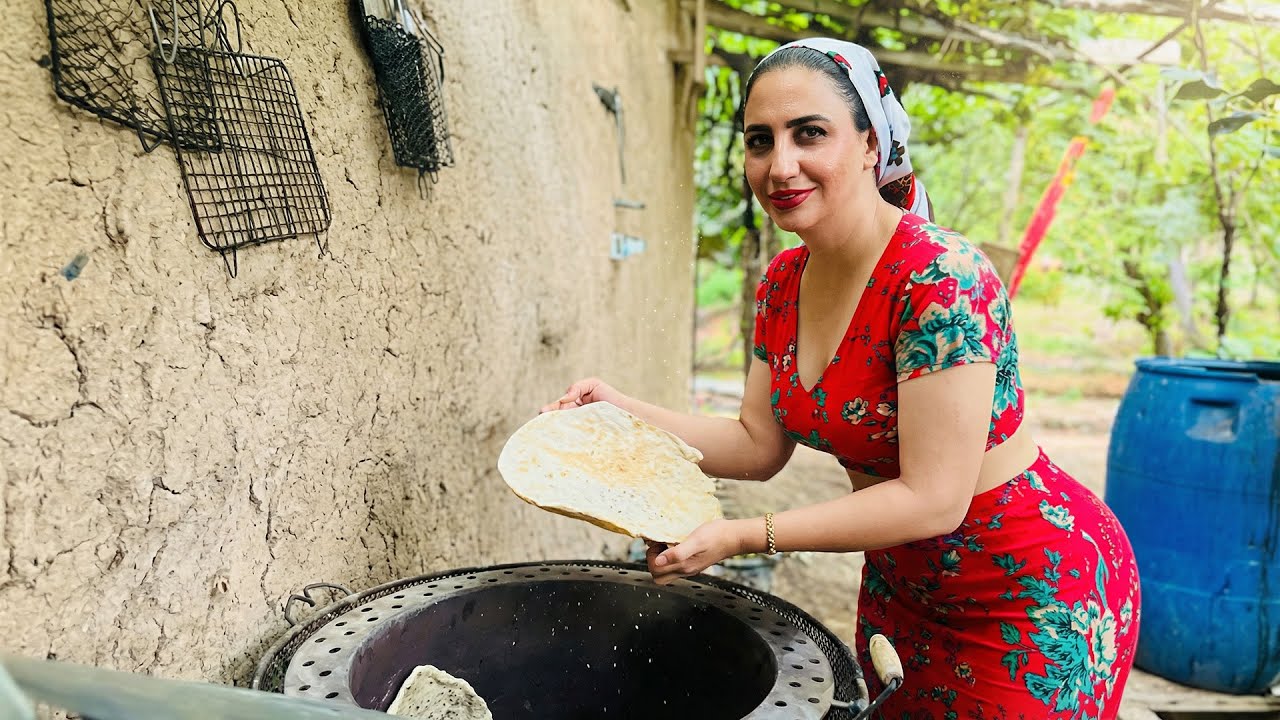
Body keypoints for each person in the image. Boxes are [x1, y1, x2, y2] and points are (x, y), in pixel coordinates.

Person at [541, 38, 1140, 720]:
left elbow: (935, 499)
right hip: (901, 592)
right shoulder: (781, 286)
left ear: (868, 145)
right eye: (760, 140)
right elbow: (757, 444)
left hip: (1025, 595)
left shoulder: (939, 278)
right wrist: (621, 413)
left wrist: (741, 534)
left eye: (810, 134)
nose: (781, 165)